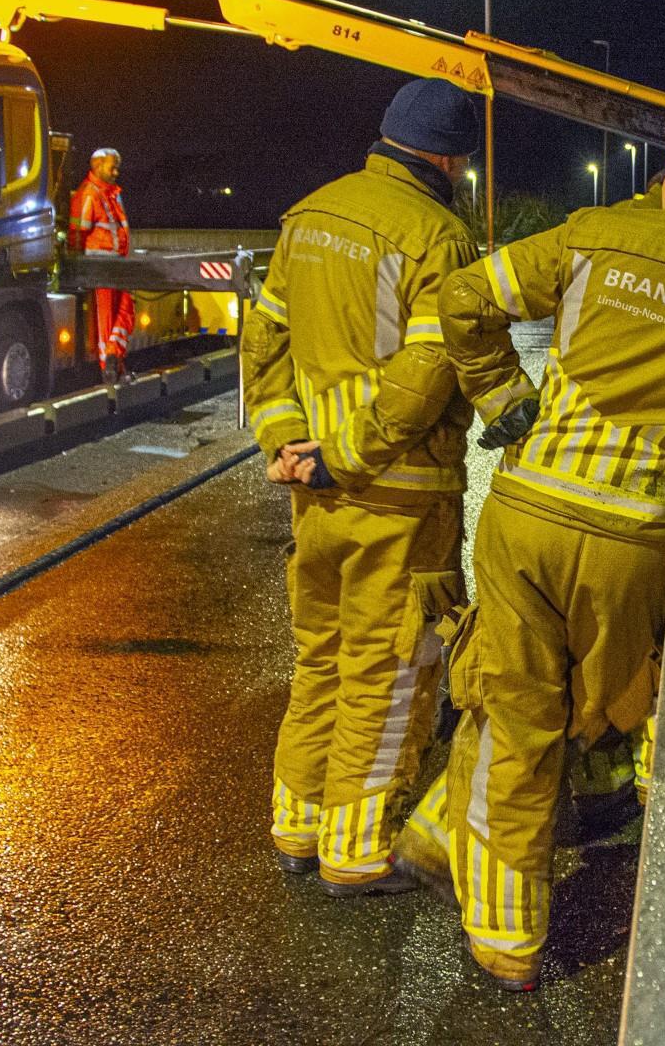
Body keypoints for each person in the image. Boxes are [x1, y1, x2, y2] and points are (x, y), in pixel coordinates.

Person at [394, 108, 665, 990]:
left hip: (527, 512)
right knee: (591, 703)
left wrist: (505, 395)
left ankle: (503, 933)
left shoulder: (596, 234)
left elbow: (463, 297)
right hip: (637, 538)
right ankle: (449, 834)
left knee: (520, 707)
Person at [241, 78, 480, 897]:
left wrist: (285, 441)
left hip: (315, 494)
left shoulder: (307, 216)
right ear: (450, 160)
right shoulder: (438, 237)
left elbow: (263, 342)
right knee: (391, 671)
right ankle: (355, 850)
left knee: (323, 659)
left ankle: (297, 826)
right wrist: (348, 450)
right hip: (397, 496)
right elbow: (426, 375)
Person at [68, 147, 135, 383]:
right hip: (99, 267)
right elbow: (77, 233)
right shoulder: (89, 194)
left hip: (117, 265)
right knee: (105, 321)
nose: (117, 172)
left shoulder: (112, 193)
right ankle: (110, 368)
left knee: (126, 310)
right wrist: (77, 268)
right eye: (112, 166)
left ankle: (115, 356)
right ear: (97, 166)